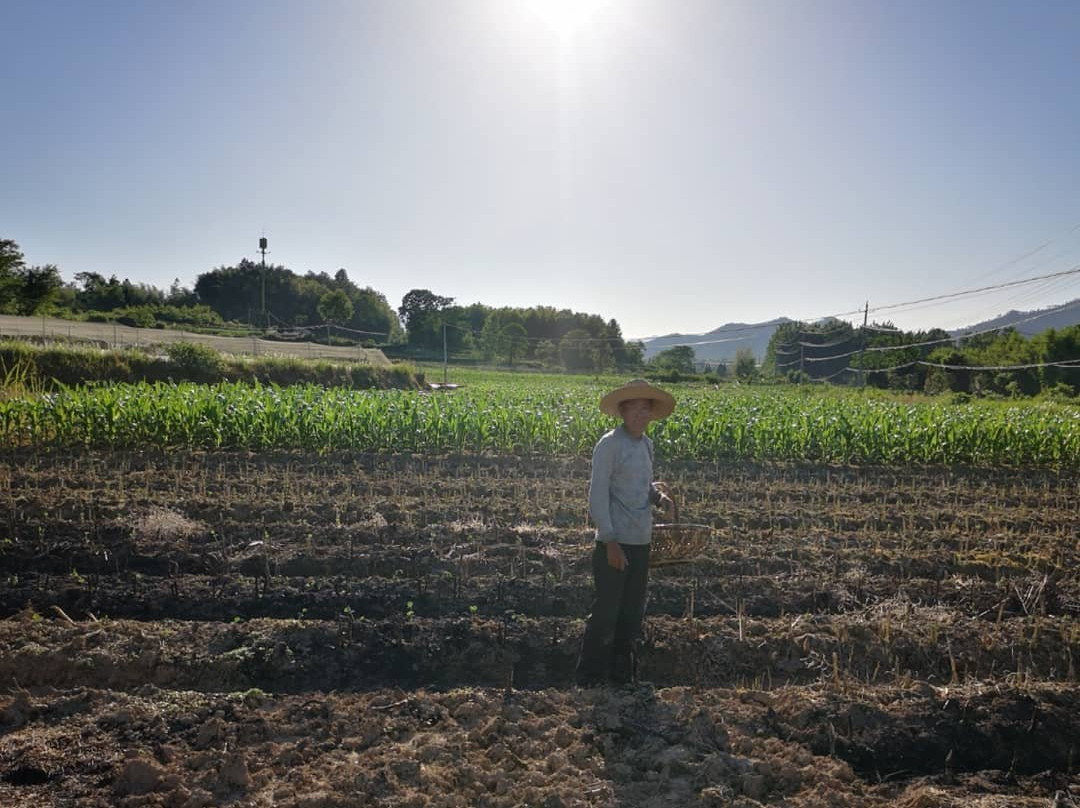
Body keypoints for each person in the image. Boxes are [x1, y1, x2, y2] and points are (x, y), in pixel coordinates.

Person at [575, 378, 676, 686]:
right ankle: (589, 679)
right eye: (633, 409)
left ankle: (622, 679)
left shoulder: (647, 445)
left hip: (641, 542)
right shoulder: (609, 445)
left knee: (632, 614)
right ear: (622, 412)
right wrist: (609, 540)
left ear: (651, 413)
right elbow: (597, 496)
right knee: (606, 612)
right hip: (615, 544)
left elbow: (643, 487)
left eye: (645, 410)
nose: (639, 415)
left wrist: (659, 498)